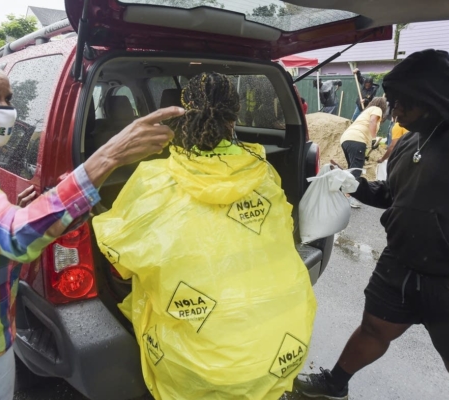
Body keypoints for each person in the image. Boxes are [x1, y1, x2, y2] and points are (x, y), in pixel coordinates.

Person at [0, 52, 183, 400]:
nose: (5, 109)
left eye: (8, 99)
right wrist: (108, 156)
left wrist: (19, 210)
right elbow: (13, 236)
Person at [93, 72, 316, 399]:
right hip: (276, 344)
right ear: (235, 116)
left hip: (195, 365)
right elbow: (281, 234)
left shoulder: (153, 179)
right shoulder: (263, 172)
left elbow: (120, 254)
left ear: (183, 112)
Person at [293, 49, 449, 400]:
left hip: (444, 276)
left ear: (429, 97)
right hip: (399, 264)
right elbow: (391, 194)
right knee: (374, 329)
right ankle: (334, 385)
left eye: (402, 102)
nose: (395, 110)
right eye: (392, 102)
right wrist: (354, 184)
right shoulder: (409, 140)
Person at [339, 97, 388, 208]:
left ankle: (343, 194)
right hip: (357, 139)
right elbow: (372, 121)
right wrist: (374, 138)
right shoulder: (377, 109)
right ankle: (349, 198)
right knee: (356, 171)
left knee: (351, 169)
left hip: (346, 139)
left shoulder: (366, 111)